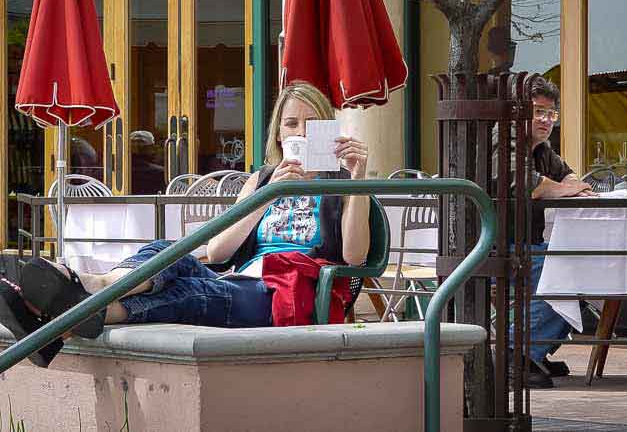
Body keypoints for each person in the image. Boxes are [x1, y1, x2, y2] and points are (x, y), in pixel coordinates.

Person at [0, 82, 371, 368]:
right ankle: (91, 290)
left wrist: (359, 179)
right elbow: (218, 251)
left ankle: (58, 312)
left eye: (312, 123)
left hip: (282, 296)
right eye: (291, 123)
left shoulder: (340, 183)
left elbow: (355, 256)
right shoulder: (261, 181)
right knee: (165, 252)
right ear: (278, 134)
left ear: (328, 130)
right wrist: (268, 195)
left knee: (188, 295)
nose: (301, 132)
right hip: (238, 278)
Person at [493, 76, 594, 388]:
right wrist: (565, 188)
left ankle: (535, 349)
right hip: (492, 244)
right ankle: (512, 354)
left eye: (551, 114)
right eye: (538, 112)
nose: (546, 120)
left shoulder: (541, 148)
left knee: (580, 268)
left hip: (523, 241)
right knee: (561, 271)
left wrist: (571, 185)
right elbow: (525, 184)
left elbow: (567, 175)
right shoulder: (505, 139)